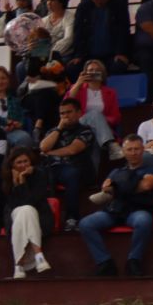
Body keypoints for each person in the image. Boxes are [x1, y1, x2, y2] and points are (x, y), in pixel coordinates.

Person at [79, 136, 153, 276]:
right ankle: (105, 262)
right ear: (123, 151)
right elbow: (105, 188)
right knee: (86, 223)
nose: (133, 152)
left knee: (144, 220)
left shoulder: (152, 169)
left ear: (143, 150)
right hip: (114, 210)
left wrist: (117, 187)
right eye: (129, 149)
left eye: (136, 149)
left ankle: (133, 261)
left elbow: (146, 185)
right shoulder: (116, 171)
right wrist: (130, 186)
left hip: (137, 210)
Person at [39, 96, 96, 229]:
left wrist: (50, 153)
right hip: (52, 167)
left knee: (71, 174)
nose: (65, 116)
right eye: (62, 113)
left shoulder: (86, 130)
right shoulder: (54, 131)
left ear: (78, 113)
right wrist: (59, 128)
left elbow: (73, 150)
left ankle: (72, 217)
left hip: (76, 167)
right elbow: (43, 147)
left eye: (69, 112)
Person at [0, 146, 54, 278]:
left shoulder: (40, 175)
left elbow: (31, 201)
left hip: (40, 218)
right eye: (19, 162)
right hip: (15, 219)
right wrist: (15, 182)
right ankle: (39, 256)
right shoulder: (7, 179)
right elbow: (13, 205)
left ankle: (18, 265)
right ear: (12, 164)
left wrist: (22, 181)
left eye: (26, 161)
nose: (23, 165)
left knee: (27, 209)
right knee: (23, 211)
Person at [69, 0, 132, 76]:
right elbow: (78, 32)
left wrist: (120, 53)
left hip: (112, 55)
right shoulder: (83, 7)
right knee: (73, 68)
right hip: (88, 55)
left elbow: (123, 31)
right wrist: (78, 55)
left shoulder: (119, 6)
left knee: (118, 66)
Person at [66, 60, 122, 156]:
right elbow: (66, 105)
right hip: (80, 124)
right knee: (95, 114)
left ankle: (94, 170)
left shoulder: (110, 92)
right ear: (85, 73)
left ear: (102, 73)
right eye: (90, 70)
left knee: (94, 140)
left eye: (97, 70)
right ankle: (111, 144)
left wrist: (101, 120)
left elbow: (116, 116)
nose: (93, 72)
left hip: (98, 129)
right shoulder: (77, 89)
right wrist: (78, 83)